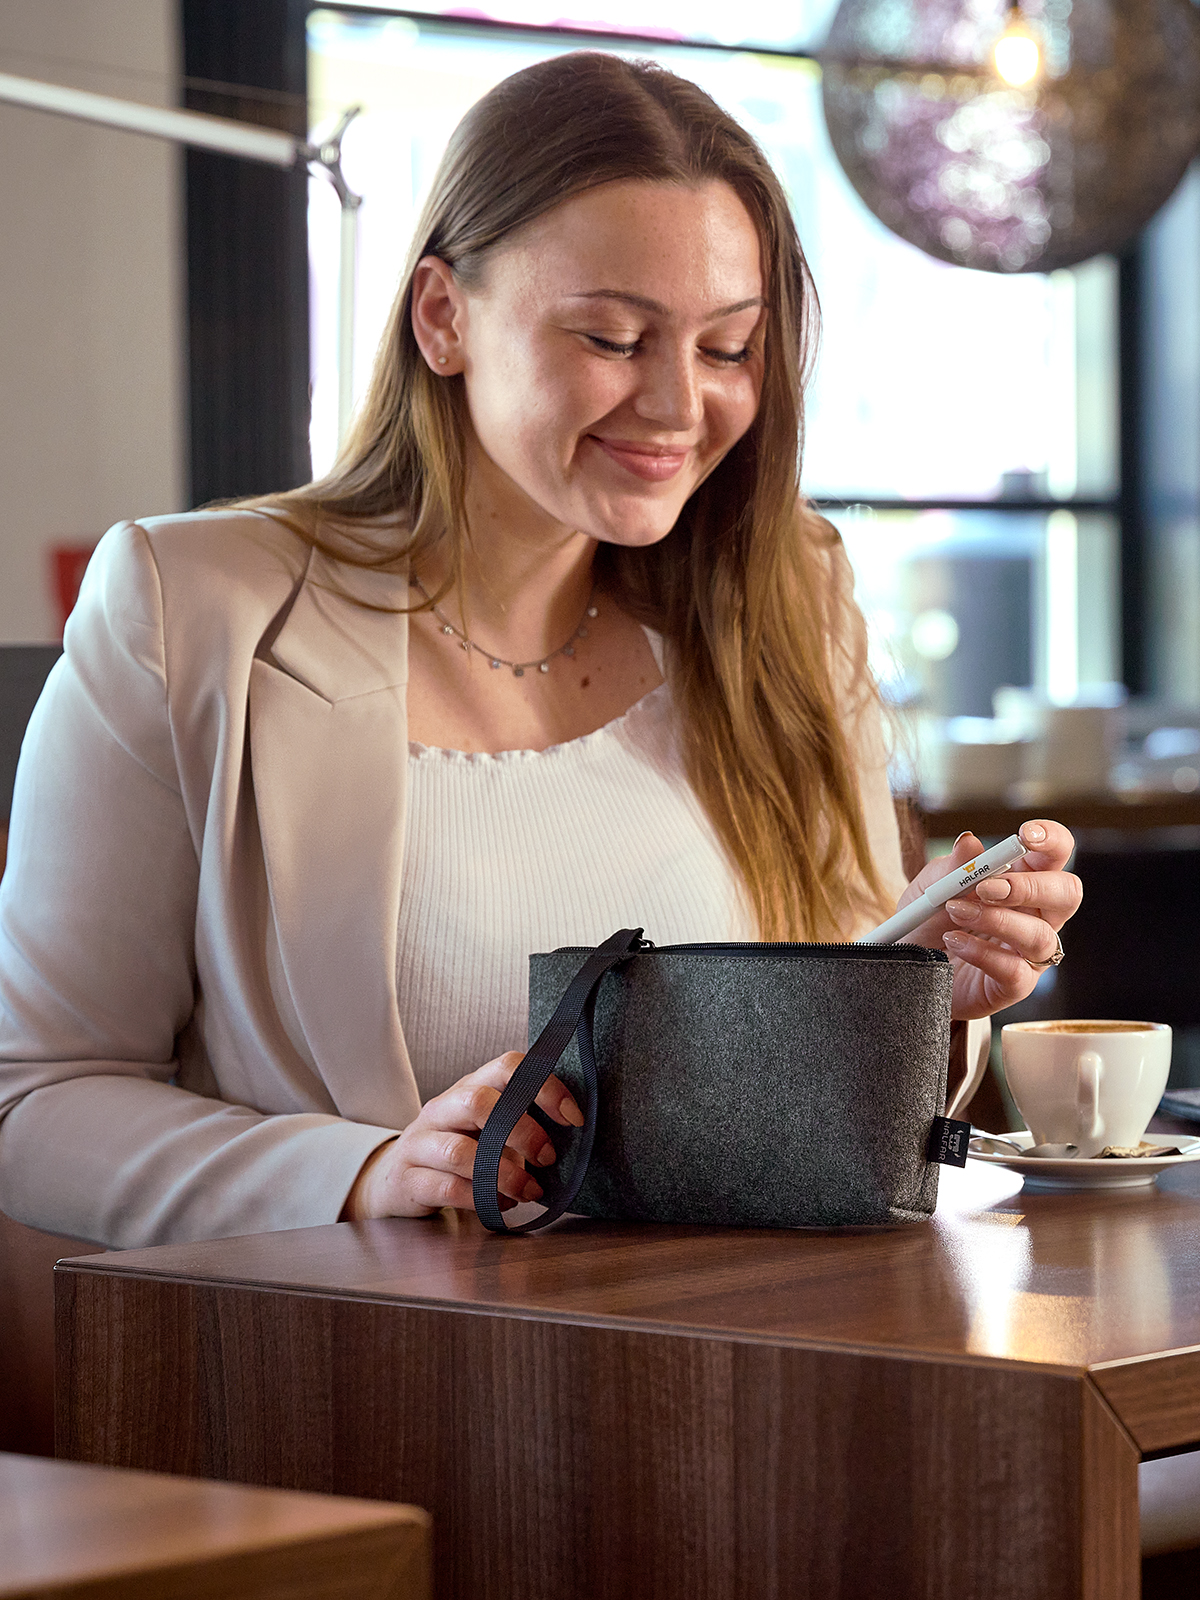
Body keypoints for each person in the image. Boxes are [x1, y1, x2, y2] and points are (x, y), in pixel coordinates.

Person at [0, 53, 1080, 1248]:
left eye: (728, 348)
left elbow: (804, 1125)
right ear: (442, 317)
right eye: (615, 337)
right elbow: (33, 1099)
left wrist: (926, 1000)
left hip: (742, 1367)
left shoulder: (784, 601)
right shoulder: (189, 607)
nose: (679, 405)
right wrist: (360, 1172)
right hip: (355, 1385)